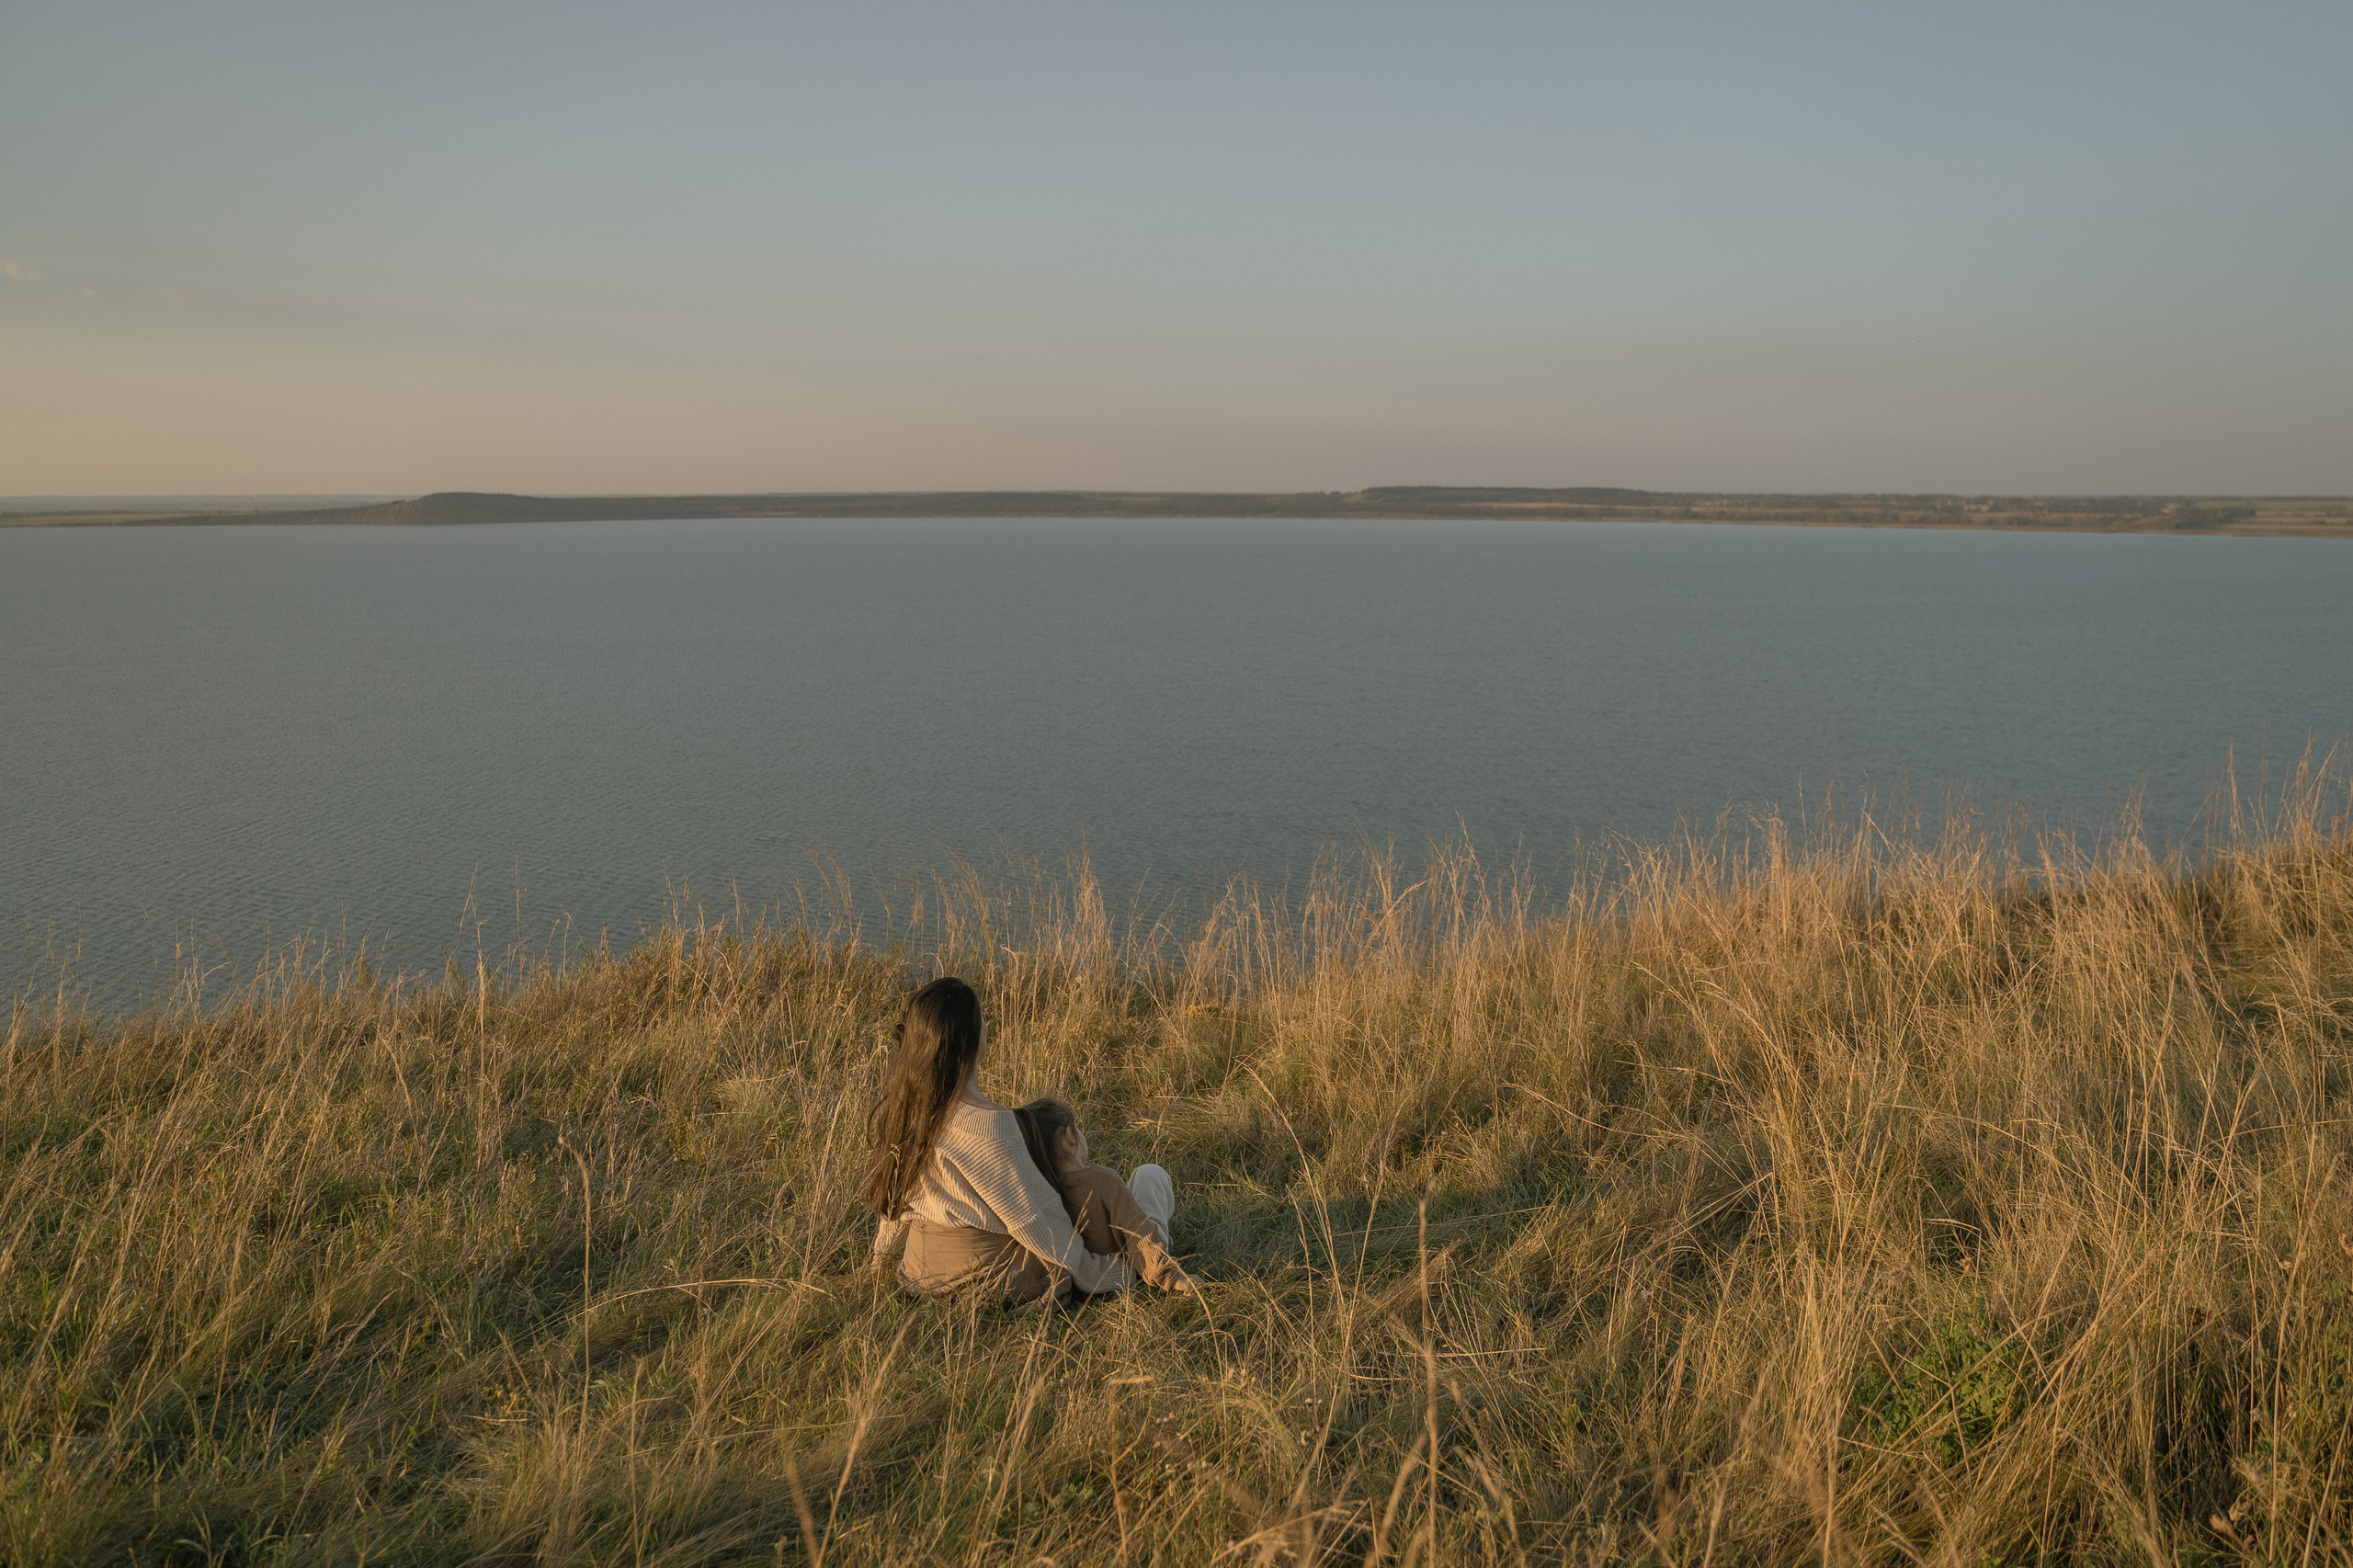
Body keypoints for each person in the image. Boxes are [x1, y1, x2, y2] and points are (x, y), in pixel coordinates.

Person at [864, 976, 1181, 1308]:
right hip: (984, 1276)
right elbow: (1037, 1221)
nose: (987, 1024)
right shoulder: (990, 1123)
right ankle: (1153, 1249)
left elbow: (896, 1201)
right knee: (1148, 1180)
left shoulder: (912, 1111)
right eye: (982, 1018)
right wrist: (1103, 1273)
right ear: (969, 1038)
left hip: (918, 1274)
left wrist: (880, 1262)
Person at [1011, 1096, 1196, 1293]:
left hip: (1094, 1273)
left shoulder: (1041, 1191)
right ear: (1069, 1138)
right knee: (1149, 1173)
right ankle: (1163, 1246)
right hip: (1142, 1259)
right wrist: (1171, 1276)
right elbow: (1137, 1228)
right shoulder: (1103, 1180)